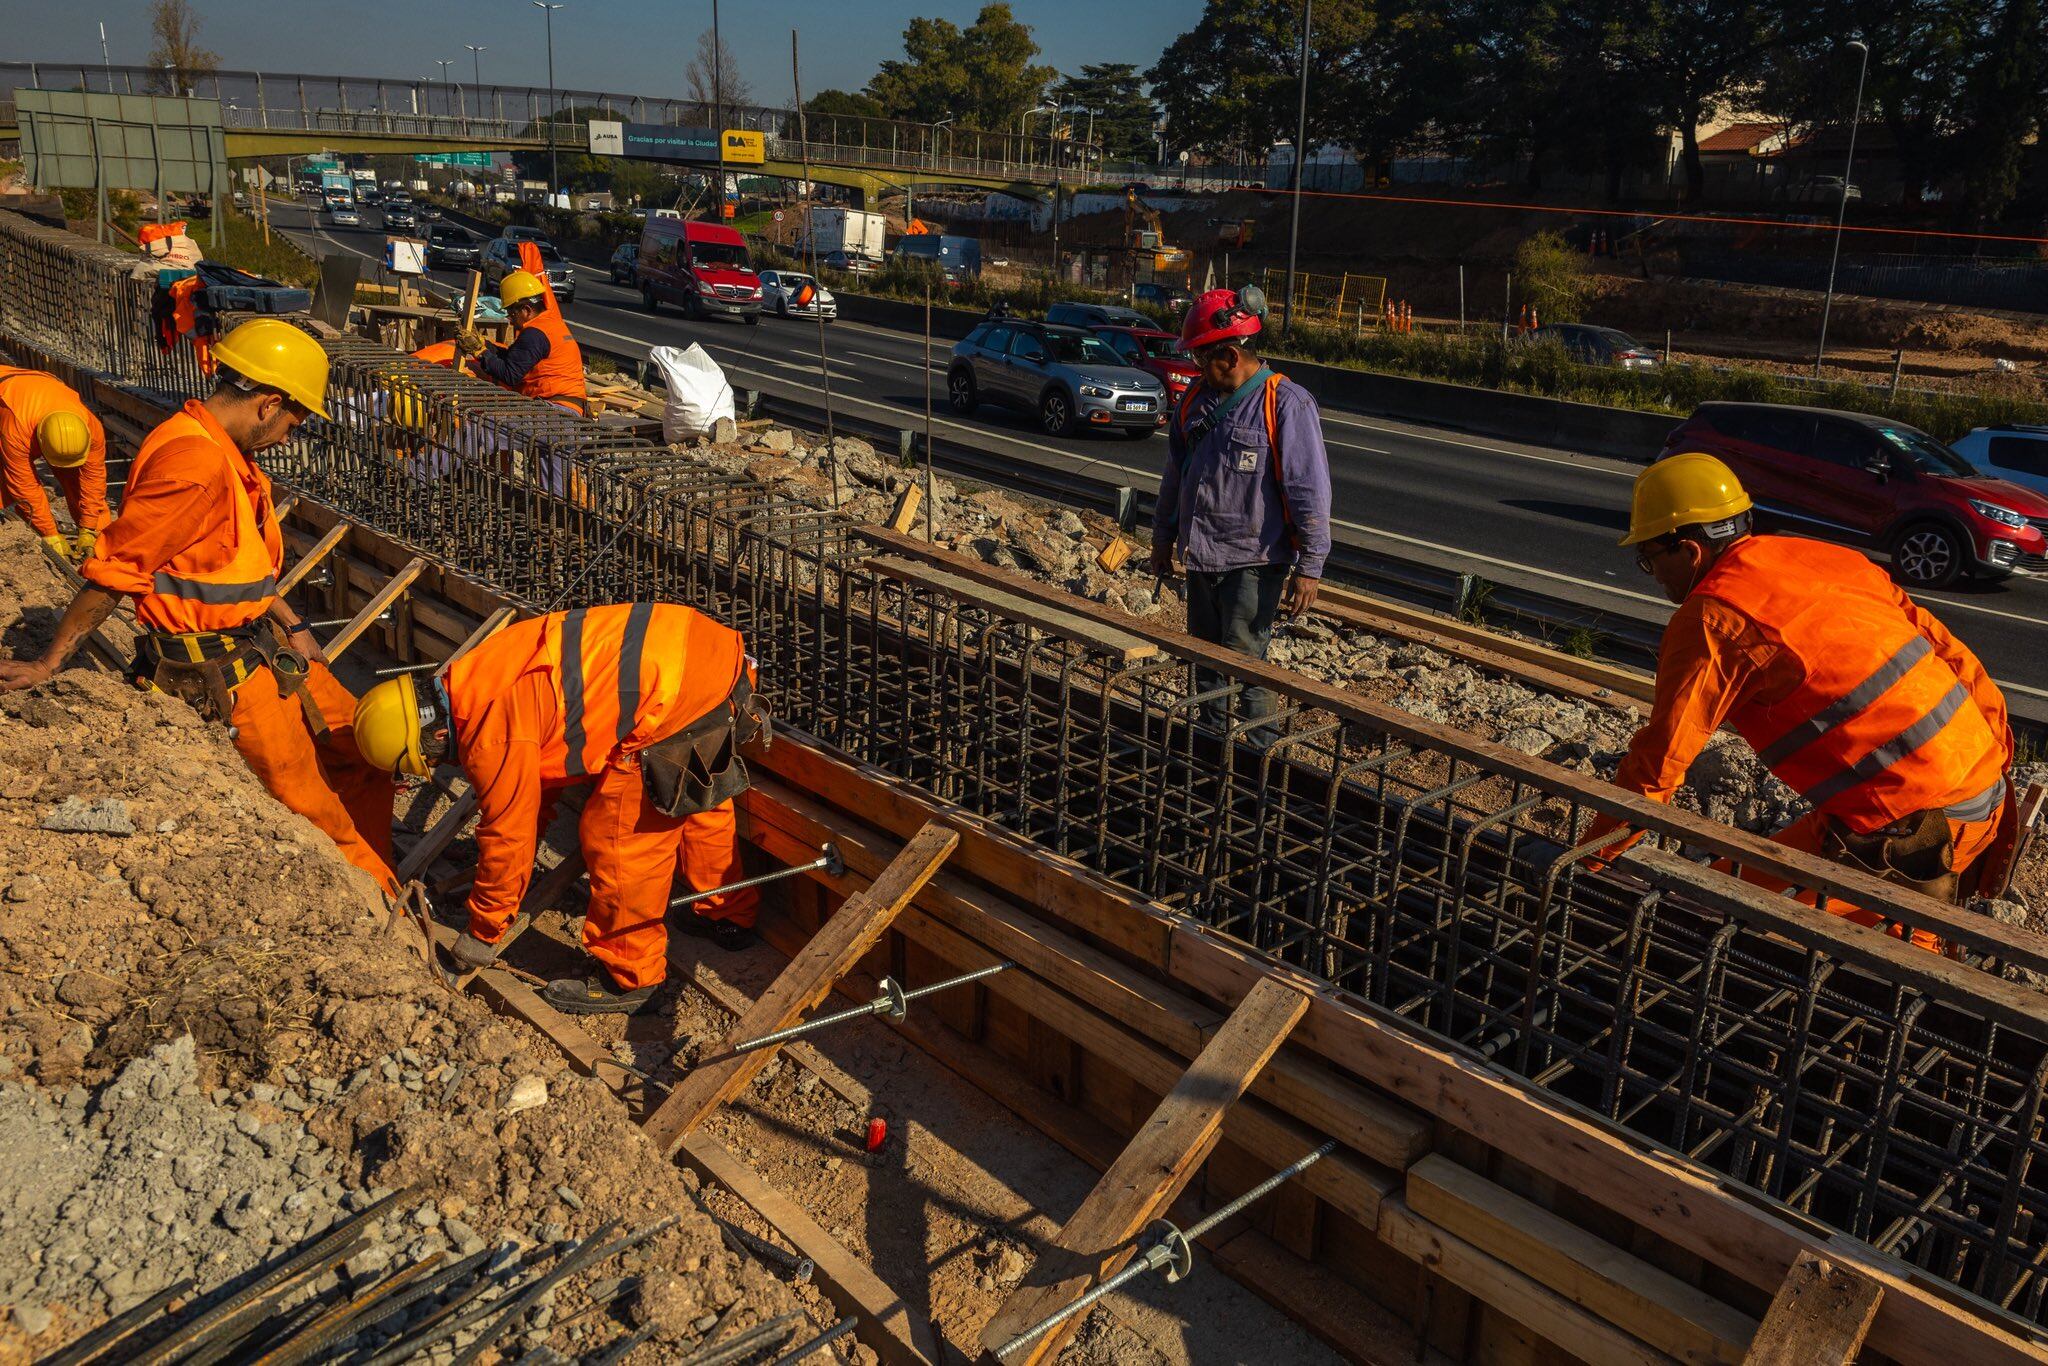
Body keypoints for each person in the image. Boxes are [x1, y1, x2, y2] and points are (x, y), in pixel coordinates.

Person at [0, 321, 400, 896]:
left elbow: (233, 563)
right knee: (322, 818)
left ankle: (385, 865)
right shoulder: (196, 466)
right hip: (228, 672)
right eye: (293, 423)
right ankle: (389, 911)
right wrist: (49, 662)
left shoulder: (219, 450)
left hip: (263, 644)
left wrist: (294, 623)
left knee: (367, 749)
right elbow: (119, 570)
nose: (287, 438)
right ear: (269, 404)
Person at [1587, 453, 2013, 941]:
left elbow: (1657, 765)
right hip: (1971, 789)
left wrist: (1592, 863)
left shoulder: (1714, 619)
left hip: (1919, 834)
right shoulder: (1827, 557)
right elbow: (1954, 657)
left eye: (1649, 559)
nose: (1654, 574)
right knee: (1709, 897)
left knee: (1753, 941)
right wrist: (1995, 759)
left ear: (1688, 550)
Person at [352, 602, 767, 1015]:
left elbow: (510, 835)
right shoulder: (476, 675)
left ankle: (632, 977)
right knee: (693, 794)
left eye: (431, 757)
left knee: (618, 838)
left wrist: (484, 929)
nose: (444, 763)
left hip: (672, 691)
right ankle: (726, 914)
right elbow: (535, 789)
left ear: (438, 733)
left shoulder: (491, 734)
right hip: (705, 651)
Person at [1149, 286, 1332, 731]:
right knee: (1206, 664)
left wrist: (1310, 567)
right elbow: (1174, 477)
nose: (1196, 368)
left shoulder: (1285, 403)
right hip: (1201, 558)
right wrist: (1162, 540)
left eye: (1201, 358)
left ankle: (1259, 755)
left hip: (1254, 563)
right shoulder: (1195, 402)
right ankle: (1213, 750)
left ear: (1230, 356)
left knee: (1246, 667)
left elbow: (1309, 491)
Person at [455, 246, 589, 417]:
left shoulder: (535, 334)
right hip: (565, 408)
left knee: (477, 426)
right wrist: (485, 345)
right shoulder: (549, 324)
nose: (510, 320)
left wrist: (480, 352)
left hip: (556, 412)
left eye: (512, 314)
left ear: (526, 310)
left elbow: (510, 375)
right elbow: (515, 359)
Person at [0, 365, 112, 562]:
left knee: (76, 476)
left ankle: (101, 540)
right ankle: (12, 530)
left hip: (38, 387)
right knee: (6, 481)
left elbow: (93, 478)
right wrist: (49, 533)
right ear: (40, 439)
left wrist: (90, 527)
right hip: (8, 399)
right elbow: (23, 485)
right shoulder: (15, 429)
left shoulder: (91, 427)